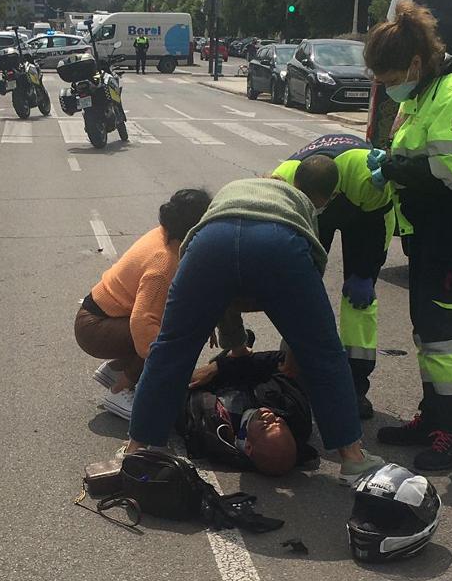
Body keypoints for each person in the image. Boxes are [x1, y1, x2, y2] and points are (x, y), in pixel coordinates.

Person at [122, 160, 384, 484]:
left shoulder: (236, 189)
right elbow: (306, 309)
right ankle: (353, 458)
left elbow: (222, 294)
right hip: (278, 245)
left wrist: (236, 345)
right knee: (325, 354)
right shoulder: (302, 207)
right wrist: (293, 354)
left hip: (209, 244)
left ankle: (137, 448)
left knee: (170, 350)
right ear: (322, 198)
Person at [361, 0, 452, 471]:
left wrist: (390, 166)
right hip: (429, 229)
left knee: (441, 332)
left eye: (392, 79)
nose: (391, 89)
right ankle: (433, 415)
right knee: (425, 328)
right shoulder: (424, 91)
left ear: (415, 63)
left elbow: (446, 168)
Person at [271, 134, 395, 420]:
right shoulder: (284, 180)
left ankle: (354, 386)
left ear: (332, 194)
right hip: (307, 215)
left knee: (359, 304)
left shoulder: (366, 179)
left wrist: (365, 272)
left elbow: (378, 224)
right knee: (301, 293)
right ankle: (293, 373)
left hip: (367, 215)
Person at [75, 189, 213, 416]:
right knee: (168, 335)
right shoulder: (165, 262)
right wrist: (173, 370)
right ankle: (120, 390)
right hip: (94, 328)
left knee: (166, 325)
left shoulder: (165, 234)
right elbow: (142, 324)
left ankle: (115, 370)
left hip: (102, 317)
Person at [180, 346, 319, 476]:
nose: (270, 416)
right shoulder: (294, 411)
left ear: (248, 447)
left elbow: (178, 395)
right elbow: (281, 360)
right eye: (279, 422)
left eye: (266, 426)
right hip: (246, 370)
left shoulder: (208, 430)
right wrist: (219, 367)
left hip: (212, 385)